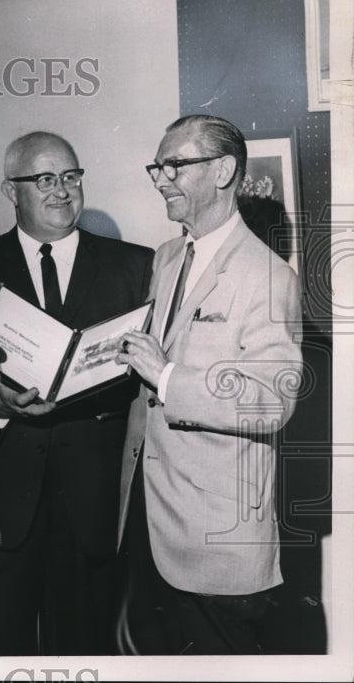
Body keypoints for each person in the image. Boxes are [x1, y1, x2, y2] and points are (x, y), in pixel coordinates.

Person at [116, 114, 303, 654]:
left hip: (218, 545)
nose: (159, 179)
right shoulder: (168, 255)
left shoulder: (269, 277)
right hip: (148, 524)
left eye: (174, 165)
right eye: (157, 167)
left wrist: (167, 375)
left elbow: (270, 401)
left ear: (223, 171)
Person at [0, 132, 152, 655]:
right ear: (10, 190)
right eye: (45, 179)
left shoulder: (134, 267)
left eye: (71, 177)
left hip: (94, 501)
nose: (62, 191)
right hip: (1, 500)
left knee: (90, 650)